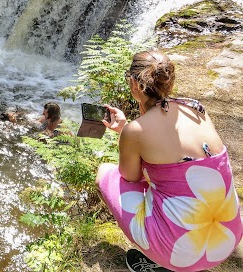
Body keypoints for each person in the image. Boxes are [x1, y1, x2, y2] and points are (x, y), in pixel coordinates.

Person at [95, 50, 242, 272]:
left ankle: (158, 258)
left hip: (183, 253)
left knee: (105, 173)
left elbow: (130, 178)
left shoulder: (136, 131)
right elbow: (173, 154)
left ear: (134, 84)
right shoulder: (196, 109)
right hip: (226, 239)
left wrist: (127, 133)